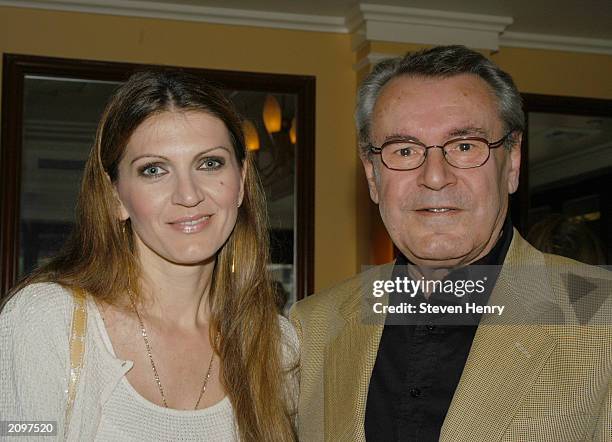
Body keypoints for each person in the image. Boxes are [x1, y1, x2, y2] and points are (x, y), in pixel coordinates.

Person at [290, 46, 611, 441]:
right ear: (372, 176)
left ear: (511, 162)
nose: (436, 177)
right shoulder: (312, 327)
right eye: (404, 150)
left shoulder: (600, 319)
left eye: (464, 146)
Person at [0, 70, 298, 441]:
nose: (188, 195)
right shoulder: (48, 322)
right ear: (115, 197)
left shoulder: (275, 346)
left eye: (209, 163)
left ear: (240, 182)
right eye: (154, 170)